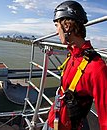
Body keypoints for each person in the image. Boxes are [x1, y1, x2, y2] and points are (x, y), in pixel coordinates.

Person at [43, 1, 107, 130]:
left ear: (66, 26)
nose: (56, 32)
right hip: (54, 119)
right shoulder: (73, 55)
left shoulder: (96, 68)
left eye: (57, 26)